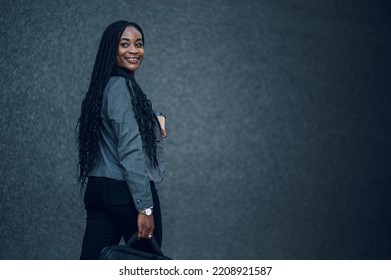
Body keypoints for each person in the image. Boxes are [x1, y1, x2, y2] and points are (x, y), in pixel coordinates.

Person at [76, 20, 166, 260]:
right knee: (147, 265)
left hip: (98, 191)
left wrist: (153, 123)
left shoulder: (103, 87)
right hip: (125, 193)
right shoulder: (121, 87)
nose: (134, 51)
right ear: (111, 48)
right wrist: (145, 207)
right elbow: (130, 149)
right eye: (124, 44)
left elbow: (116, 133)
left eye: (139, 44)